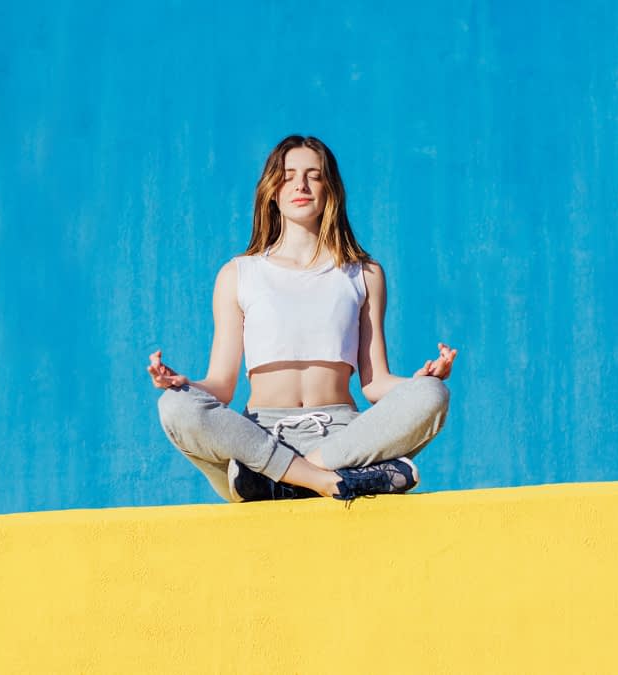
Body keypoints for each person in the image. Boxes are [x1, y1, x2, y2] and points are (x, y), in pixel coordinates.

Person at [148, 135, 457, 502]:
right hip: (262, 438)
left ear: (330, 189)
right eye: (288, 174)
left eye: (314, 175)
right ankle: (335, 479)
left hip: (340, 437)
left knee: (431, 394)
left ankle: (293, 478)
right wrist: (185, 384)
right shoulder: (238, 274)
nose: (301, 184)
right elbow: (222, 386)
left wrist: (414, 384)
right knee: (175, 405)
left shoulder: (364, 273)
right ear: (272, 190)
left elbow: (374, 383)